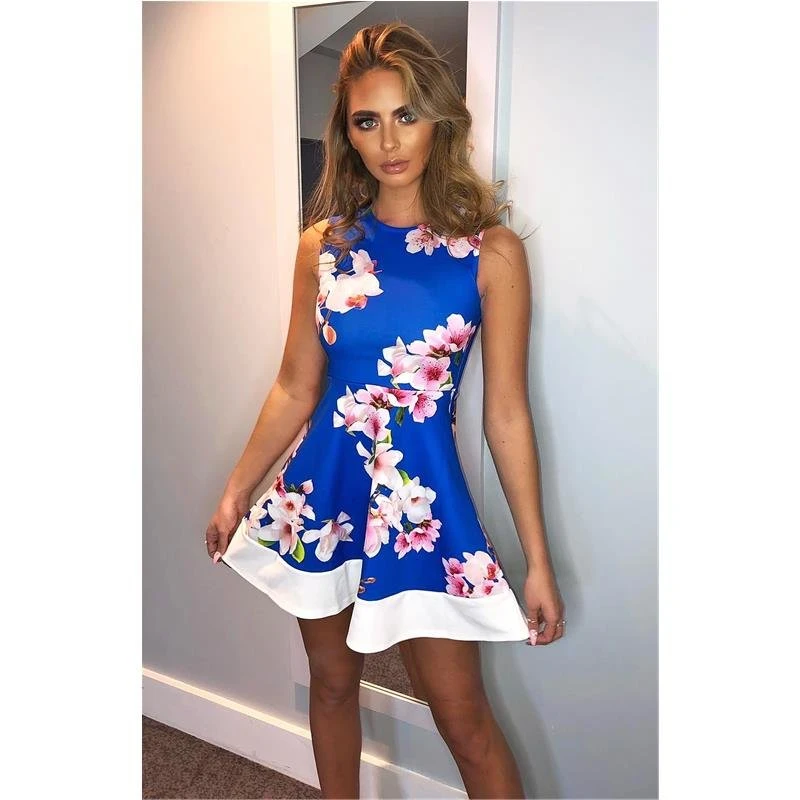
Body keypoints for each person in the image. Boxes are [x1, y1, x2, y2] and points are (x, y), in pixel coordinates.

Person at [204, 22, 565, 800]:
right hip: (324, 493)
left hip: (421, 508)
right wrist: (237, 490)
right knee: (332, 685)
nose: (389, 140)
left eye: (407, 115)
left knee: (464, 721)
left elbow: (506, 414)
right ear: (348, 133)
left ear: (440, 120)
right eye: (367, 121)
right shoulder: (323, 248)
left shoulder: (490, 253)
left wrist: (536, 559)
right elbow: (295, 385)